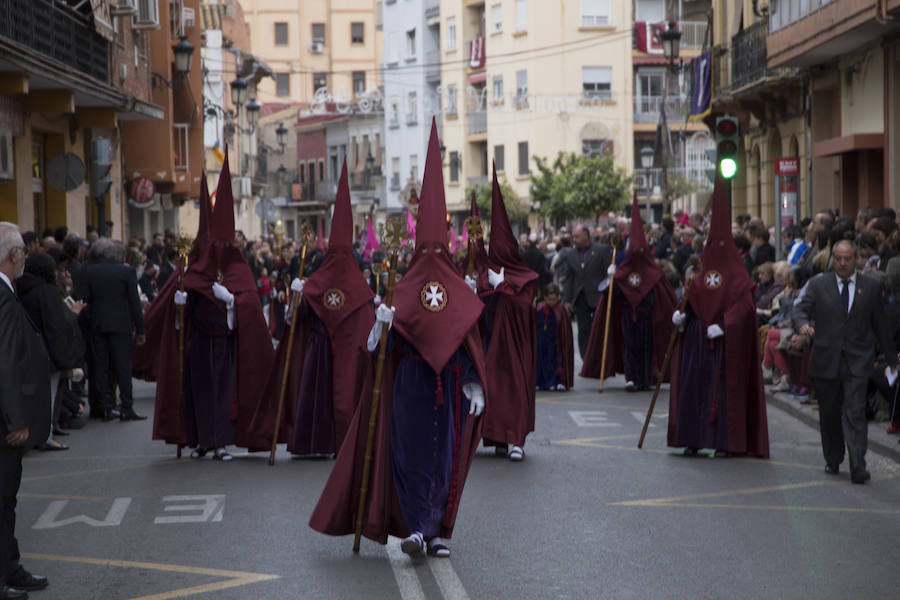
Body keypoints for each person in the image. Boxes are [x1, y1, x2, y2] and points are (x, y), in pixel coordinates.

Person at [310, 120, 486, 559]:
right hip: (408, 380)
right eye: (423, 251)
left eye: (436, 250)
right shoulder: (400, 287)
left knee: (443, 456)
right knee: (407, 455)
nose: (429, 259)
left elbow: (469, 337)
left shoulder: (457, 290)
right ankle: (413, 528)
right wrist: (380, 322)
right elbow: (372, 350)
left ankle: (437, 531)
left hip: (446, 384)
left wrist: (474, 381)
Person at [251, 161, 375, 457]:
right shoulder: (321, 280)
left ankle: (343, 441)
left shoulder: (357, 288)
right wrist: (298, 296)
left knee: (344, 395)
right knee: (320, 397)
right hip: (320, 350)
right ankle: (319, 441)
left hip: (334, 352)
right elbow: (298, 319)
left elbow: (367, 329)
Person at [165, 154, 275, 459]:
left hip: (225, 345)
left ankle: (221, 442)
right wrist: (179, 306)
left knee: (224, 394)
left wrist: (232, 302)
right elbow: (176, 321)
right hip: (199, 341)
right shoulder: (194, 271)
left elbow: (250, 305)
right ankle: (201, 440)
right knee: (199, 392)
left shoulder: (239, 269)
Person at [667, 174, 770, 458]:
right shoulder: (699, 272)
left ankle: (726, 441)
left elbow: (745, 305)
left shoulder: (738, 275)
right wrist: (681, 316)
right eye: (713, 245)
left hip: (725, 346)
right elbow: (690, 298)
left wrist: (726, 325)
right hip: (697, 341)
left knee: (724, 391)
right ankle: (693, 438)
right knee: (694, 389)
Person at [792, 240, 898, 483]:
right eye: (838, 258)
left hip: (858, 361)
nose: (842, 263)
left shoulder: (870, 287)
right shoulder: (819, 284)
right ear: (833, 259)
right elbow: (800, 309)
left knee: (855, 412)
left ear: (855, 259)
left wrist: (891, 359)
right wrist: (803, 325)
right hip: (826, 360)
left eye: (847, 258)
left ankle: (858, 464)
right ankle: (833, 456)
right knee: (829, 414)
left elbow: (881, 325)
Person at [0, 222, 51, 598]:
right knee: (3, 499)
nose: (24, 259)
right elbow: (5, 360)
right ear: (14, 255)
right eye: (23, 253)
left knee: (6, 500)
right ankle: (6, 573)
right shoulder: (2, 296)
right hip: (4, 421)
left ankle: (10, 568)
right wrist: (16, 419)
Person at [581, 196, 678, 391]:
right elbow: (610, 293)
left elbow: (662, 294)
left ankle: (645, 377)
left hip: (647, 316)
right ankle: (631, 377)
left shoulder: (653, 271)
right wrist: (611, 279)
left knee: (647, 348)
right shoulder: (623, 269)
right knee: (629, 346)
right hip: (627, 315)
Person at [476, 166, 537, 462]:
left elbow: (525, 308)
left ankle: (516, 439)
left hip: (516, 349)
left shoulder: (524, 278)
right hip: (492, 346)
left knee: (514, 391)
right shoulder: (486, 276)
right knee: (494, 391)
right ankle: (498, 437)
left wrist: (505, 287)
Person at [16, 252, 85, 451]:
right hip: (48, 352)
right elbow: (55, 326)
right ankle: (47, 435)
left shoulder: (19, 288)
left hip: (26, 349)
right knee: (51, 394)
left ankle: (38, 432)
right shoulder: (47, 292)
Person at [82, 240, 146, 421]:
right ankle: (127, 406)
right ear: (122, 256)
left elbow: (86, 299)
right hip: (121, 325)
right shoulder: (127, 272)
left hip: (98, 324)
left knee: (100, 367)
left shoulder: (91, 271)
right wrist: (140, 330)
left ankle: (105, 407)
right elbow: (134, 303)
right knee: (123, 367)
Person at [561, 225, 612, 358]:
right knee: (583, 330)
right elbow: (569, 278)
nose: (574, 240)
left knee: (599, 328)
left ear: (586, 236)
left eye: (576, 237)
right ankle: (586, 358)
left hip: (598, 296)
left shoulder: (601, 250)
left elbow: (608, 275)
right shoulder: (571, 254)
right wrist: (566, 299)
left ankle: (600, 358)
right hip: (580, 296)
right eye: (573, 237)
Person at [536, 283, 573, 391]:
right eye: (549, 299)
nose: (552, 302)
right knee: (542, 361)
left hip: (556, 342)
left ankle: (559, 381)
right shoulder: (539, 308)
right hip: (542, 341)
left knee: (557, 362)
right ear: (545, 297)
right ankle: (543, 382)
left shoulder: (561, 311)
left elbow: (565, 330)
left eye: (554, 299)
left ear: (558, 297)